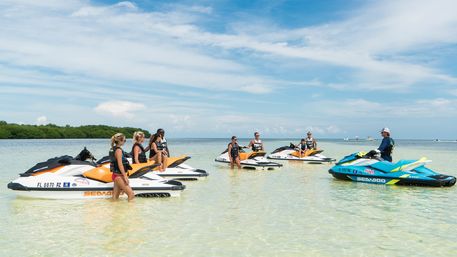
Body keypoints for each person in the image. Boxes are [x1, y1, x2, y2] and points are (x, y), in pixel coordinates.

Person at [109, 133, 134, 201]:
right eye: (124, 140)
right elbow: (120, 164)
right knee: (131, 195)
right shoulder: (119, 150)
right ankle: (131, 211)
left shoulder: (112, 149)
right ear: (120, 141)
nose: (125, 142)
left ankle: (115, 210)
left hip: (115, 175)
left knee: (115, 198)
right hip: (119, 177)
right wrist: (125, 176)